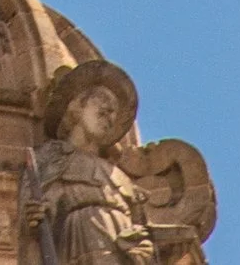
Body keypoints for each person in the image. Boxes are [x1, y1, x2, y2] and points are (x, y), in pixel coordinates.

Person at [18, 61, 156, 265]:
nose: (110, 113)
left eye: (114, 113)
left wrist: (143, 249)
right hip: (79, 241)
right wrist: (37, 214)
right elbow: (31, 214)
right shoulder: (51, 156)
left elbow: (142, 226)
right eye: (102, 103)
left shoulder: (120, 178)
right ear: (77, 106)